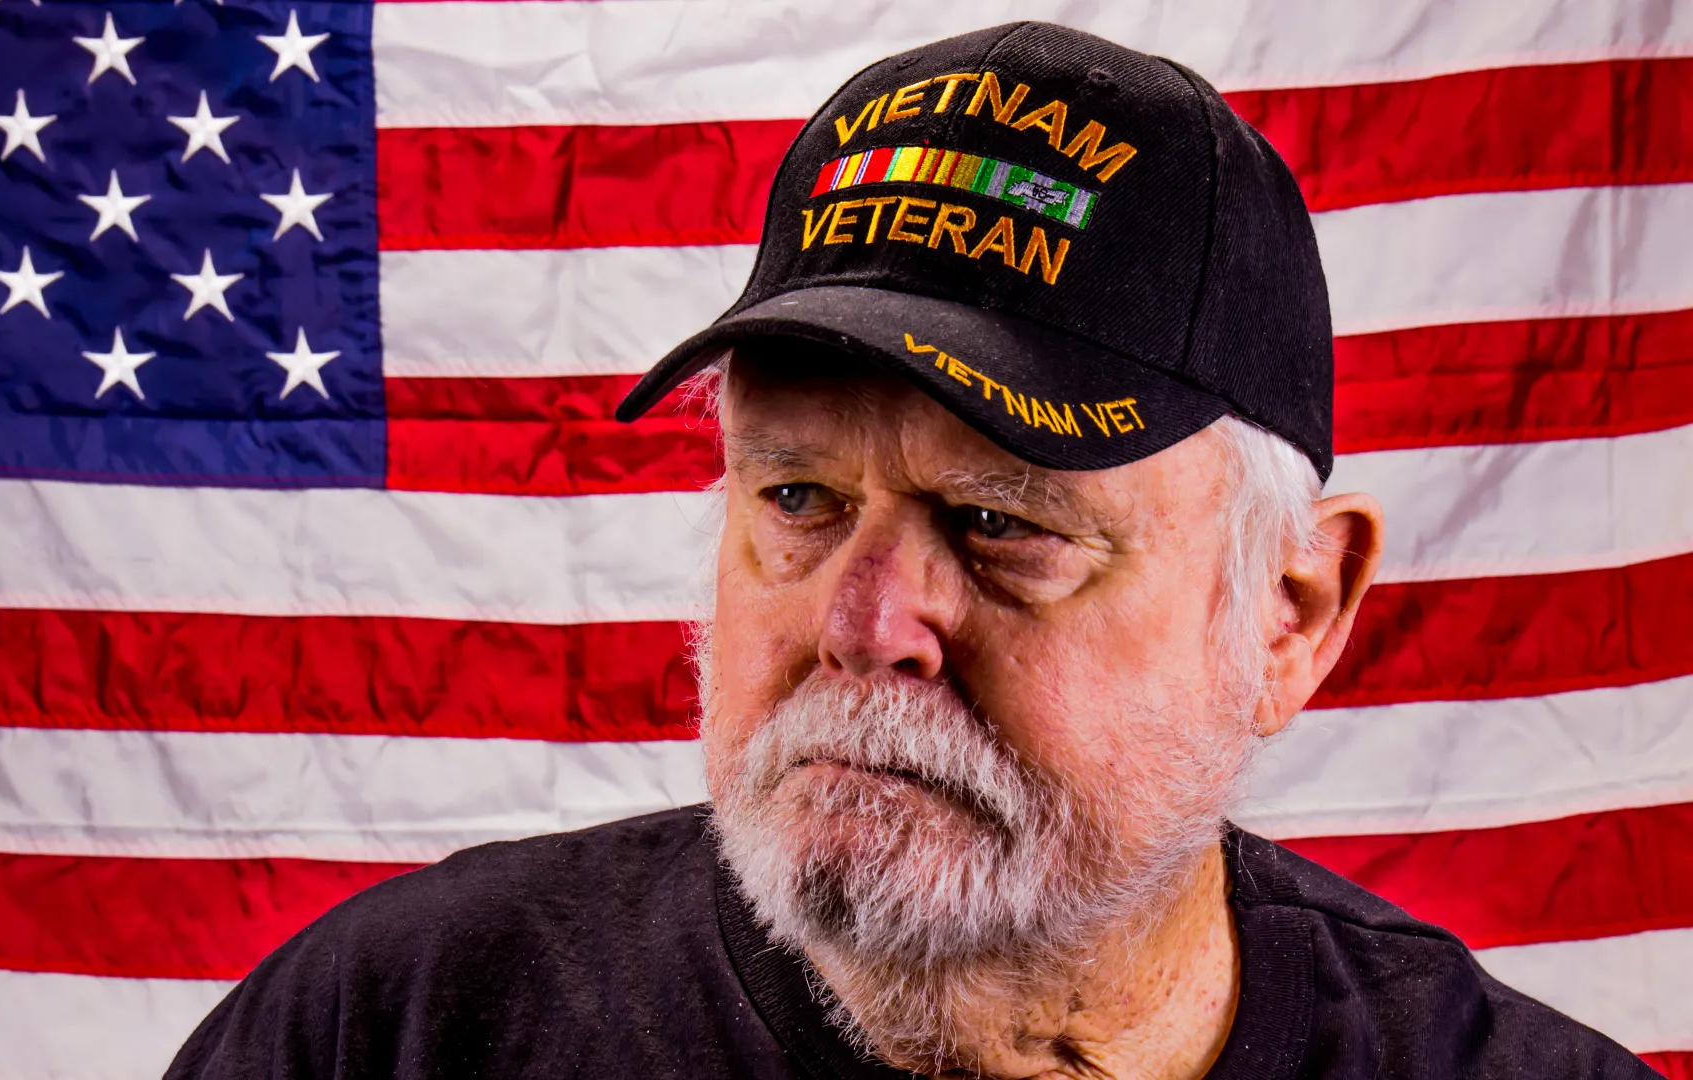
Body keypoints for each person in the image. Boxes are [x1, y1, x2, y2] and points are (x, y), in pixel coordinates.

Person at [165, 22, 1655, 1080]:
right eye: (798, 502)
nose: (864, 623)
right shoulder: (398, 1029)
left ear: (1288, 611)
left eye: (1004, 523)